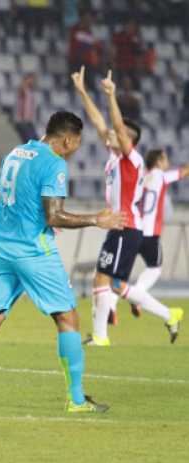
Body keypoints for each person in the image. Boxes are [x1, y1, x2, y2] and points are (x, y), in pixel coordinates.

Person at [0, 111, 126, 413]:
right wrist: (96, 219)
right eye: (77, 144)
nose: (76, 150)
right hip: (32, 251)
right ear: (68, 140)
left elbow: (11, 199)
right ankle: (76, 400)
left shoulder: (16, 153)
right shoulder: (54, 163)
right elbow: (54, 216)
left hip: (1, 247)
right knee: (68, 318)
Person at [72, 67, 184, 345]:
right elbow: (99, 123)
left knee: (105, 280)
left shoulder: (132, 160)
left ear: (128, 140)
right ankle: (168, 315)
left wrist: (111, 95)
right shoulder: (115, 156)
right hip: (120, 227)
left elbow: (117, 127)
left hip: (126, 227)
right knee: (113, 283)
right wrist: (83, 92)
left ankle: (102, 336)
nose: (108, 134)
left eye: (115, 133)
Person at [129, 149, 189, 341]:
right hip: (150, 233)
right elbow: (183, 172)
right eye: (165, 158)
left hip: (134, 230)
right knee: (155, 269)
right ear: (159, 161)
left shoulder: (142, 177)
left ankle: (135, 295)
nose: (167, 161)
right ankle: (137, 294)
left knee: (118, 277)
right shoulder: (161, 176)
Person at [14, 73, 38, 143]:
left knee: (34, 139)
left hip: (28, 120)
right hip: (22, 120)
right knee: (29, 139)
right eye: (30, 79)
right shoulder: (23, 90)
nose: (31, 81)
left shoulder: (31, 92)